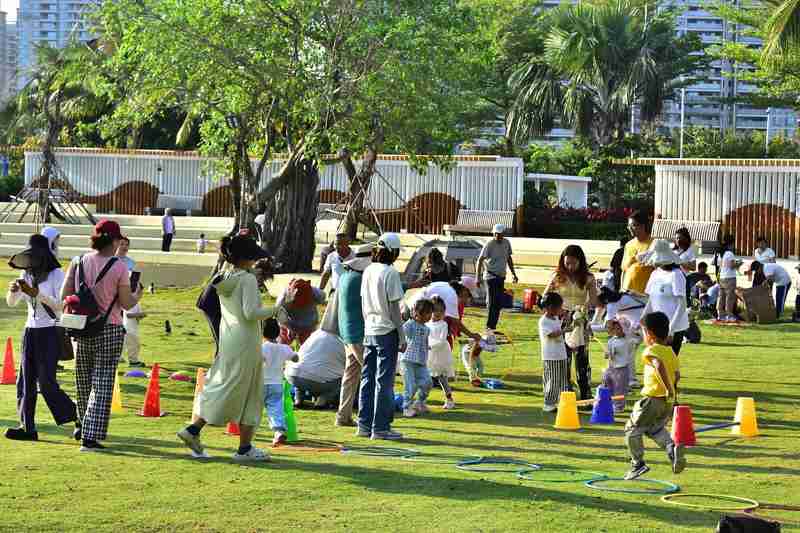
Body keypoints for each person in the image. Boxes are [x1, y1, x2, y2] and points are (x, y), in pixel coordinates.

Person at [176, 234, 274, 462]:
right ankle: (237, 446)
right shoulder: (247, 279)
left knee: (226, 385)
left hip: (229, 339)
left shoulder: (225, 276)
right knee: (247, 392)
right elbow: (251, 313)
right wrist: (279, 306)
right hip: (246, 340)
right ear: (247, 258)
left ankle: (205, 433)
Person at [61, 220, 143, 452]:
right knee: (103, 382)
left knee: (83, 379)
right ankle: (90, 436)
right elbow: (126, 303)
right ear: (115, 241)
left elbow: (64, 294)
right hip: (110, 327)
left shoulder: (78, 261)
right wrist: (137, 295)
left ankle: (81, 424)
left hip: (81, 326)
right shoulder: (119, 267)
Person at [5, 234, 78, 441]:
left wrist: (36, 293)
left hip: (50, 331)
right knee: (25, 382)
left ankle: (78, 416)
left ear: (44, 255)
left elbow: (60, 306)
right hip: (30, 331)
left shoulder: (56, 274)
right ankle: (27, 427)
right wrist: (13, 291)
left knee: (46, 384)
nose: (31, 260)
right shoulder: (26, 273)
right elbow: (11, 303)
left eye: (35, 255)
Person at [624, 311, 686, 480]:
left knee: (632, 430)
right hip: (666, 402)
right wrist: (672, 393)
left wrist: (667, 388)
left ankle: (637, 464)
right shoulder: (670, 352)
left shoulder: (651, 350)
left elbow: (659, 366)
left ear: (650, 334)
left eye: (643, 332)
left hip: (652, 398)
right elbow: (677, 375)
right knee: (654, 429)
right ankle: (671, 448)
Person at [359, 232, 407, 441]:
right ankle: (380, 428)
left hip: (369, 329)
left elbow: (363, 302)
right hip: (386, 331)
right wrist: (402, 336)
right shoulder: (390, 273)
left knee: (367, 378)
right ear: (393, 252)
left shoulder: (368, 270)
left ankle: (364, 425)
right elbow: (394, 308)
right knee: (384, 382)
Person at [543, 245, 599, 401]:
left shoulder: (589, 278)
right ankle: (566, 392)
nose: (570, 266)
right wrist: (559, 311)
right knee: (564, 358)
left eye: (573, 263)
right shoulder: (557, 276)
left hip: (580, 321)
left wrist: (584, 308)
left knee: (582, 358)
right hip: (562, 320)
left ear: (580, 261)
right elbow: (545, 297)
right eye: (567, 263)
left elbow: (594, 299)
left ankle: (585, 393)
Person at [332, 244, 373, 427]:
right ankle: (369, 418)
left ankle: (343, 416)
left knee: (350, 376)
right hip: (358, 333)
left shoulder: (346, 276)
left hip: (346, 332)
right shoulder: (361, 279)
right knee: (373, 374)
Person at [643, 240, 690, 355]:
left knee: (667, 361)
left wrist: (671, 330)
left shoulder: (676, 275)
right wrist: (643, 318)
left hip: (674, 327)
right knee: (655, 358)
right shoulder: (655, 274)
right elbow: (651, 300)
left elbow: (682, 305)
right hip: (657, 326)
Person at [285, 329, 346, 409]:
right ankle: (321, 401)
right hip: (315, 380)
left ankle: (298, 400)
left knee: (300, 371)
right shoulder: (344, 340)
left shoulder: (317, 333)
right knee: (344, 378)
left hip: (292, 374)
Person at [476, 224, 518, 339]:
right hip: (490, 276)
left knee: (498, 303)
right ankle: (488, 328)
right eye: (495, 234)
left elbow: (509, 258)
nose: (497, 236)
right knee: (492, 302)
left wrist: (513, 274)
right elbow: (480, 260)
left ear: (503, 234)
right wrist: (477, 277)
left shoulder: (506, 243)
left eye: (499, 234)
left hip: (501, 277)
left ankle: (492, 327)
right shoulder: (489, 244)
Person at [261, 318, 299, 445]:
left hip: (260, 383)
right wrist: (294, 352)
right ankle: (278, 432)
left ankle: (248, 429)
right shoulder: (284, 348)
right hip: (277, 384)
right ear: (278, 333)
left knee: (254, 408)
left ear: (262, 333)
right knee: (276, 408)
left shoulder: (262, 348)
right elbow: (295, 358)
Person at [400, 299, 434, 418]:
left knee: (428, 382)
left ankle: (420, 402)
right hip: (408, 360)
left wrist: (426, 349)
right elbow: (402, 333)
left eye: (430, 313)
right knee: (411, 385)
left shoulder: (427, 329)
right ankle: (406, 407)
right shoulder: (410, 325)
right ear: (417, 313)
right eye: (427, 313)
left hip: (421, 361)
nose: (429, 316)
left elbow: (425, 341)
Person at [539, 292, 569, 413]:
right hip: (551, 356)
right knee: (553, 379)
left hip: (561, 354)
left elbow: (558, 329)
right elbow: (551, 334)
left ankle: (563, 401)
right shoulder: (543, 321)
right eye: (559, 307)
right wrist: (565, 330)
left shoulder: (556, 318)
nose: (561, 309)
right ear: (551, 307)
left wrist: (565, 321)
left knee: (563, 379)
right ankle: (549, 403)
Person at [275, 280, 326, 346]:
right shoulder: (284, 297)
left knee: (308, 347)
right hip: (289, 323)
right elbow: (279, 314)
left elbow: (323, 297)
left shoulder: (314, 292)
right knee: (281, 345)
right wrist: (288, 327)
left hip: (308, 326)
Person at [427, 297, 456, 410]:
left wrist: (430, 346)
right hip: (429, 354)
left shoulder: (443, 324)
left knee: (442, 377)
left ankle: (449, 399)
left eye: (441, 311)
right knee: (425, 376)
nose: (438, 313)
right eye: (435, 310)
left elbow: (442, 340)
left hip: (440, 354)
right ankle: (421, 400)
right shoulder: (427, 324)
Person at [602, 317, 634, 413]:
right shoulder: (611, 340)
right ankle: (611, 402)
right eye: (614, 328)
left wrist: (613, 353)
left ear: (624, 329)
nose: (616, 331)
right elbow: (608, 354)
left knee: (620, 388)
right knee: (607, 382)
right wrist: (607, 354)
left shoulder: (628, 340)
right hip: (611, 367)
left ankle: (619, 406)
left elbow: (626, 352)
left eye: (619, 328)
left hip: (622, 368)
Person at [621, 211, 654, 295]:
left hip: (645, 294)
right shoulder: (628, 245)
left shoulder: (654, 243)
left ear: (643, 226)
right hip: (627, 291)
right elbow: (624, 270)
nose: (630, 228)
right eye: (629, 226)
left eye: (633, 225)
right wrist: (621, 289)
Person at [716, 234, 741, 322]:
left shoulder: (721, 253)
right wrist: (739, 263)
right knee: (730, 297)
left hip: (722, 277)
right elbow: (732, 265)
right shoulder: (730, 253)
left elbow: (719, 265)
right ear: (731, 243)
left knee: (721, 296)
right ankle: (729, 315)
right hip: (730, 277)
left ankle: (720, 314)